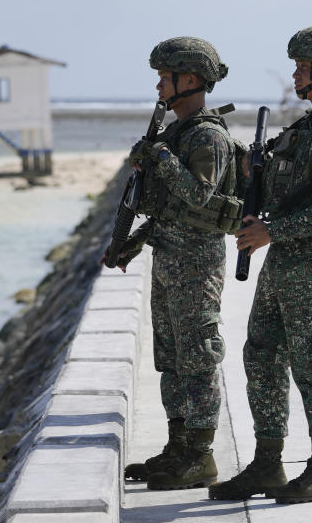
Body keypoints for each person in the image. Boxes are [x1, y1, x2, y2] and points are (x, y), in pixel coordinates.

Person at [209, 24, 312, 504]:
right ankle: (267, 463)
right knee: (261, 356)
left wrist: (271, 231)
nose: (296, 73)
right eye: (297, 65)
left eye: (305, 66)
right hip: (284, 264)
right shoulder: (306, 129)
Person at [113, 36, 237, 490]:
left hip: (196, 263)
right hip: (168, 257)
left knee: (199, 358)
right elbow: (165, 208)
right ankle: (179, 445)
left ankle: (201, 457)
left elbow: (200, 194)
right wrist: (131, 242)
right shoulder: (176, 134)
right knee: (171, 359)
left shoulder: (207, 136)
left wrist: (161, 157)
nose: (159, 86)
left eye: (166, 78)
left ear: (190, 80)